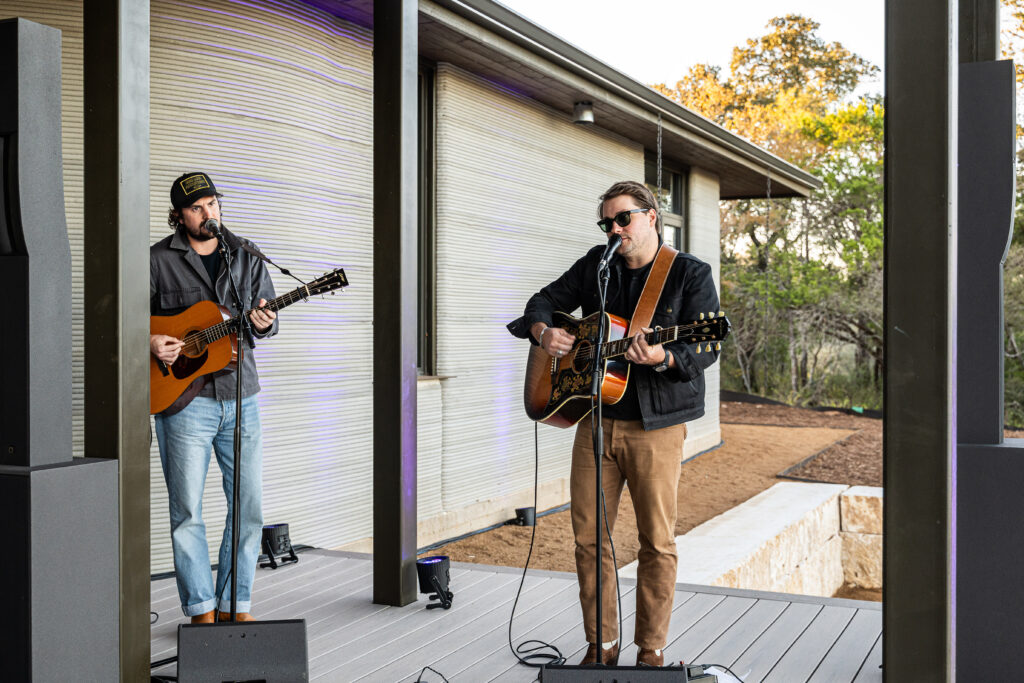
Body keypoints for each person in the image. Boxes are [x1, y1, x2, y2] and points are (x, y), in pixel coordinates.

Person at [507, 180, 721, 667]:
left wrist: (664, 354)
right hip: (594, 418)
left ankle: (651, 651)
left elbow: (706, 346)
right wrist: (546, 335)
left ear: (651, 216)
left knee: (656, 541)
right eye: (607, 222)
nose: (614, 230)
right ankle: (601, 645)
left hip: (656, 426)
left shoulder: (688, 273)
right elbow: (540, 302)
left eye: (623, 219)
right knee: (588, 537)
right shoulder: (596, 267)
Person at [150, 172, 278, 623]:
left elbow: (268, 313)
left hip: (242, 395)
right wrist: (150, 342)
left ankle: (234, 605)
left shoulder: (246, 255)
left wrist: (265, 322)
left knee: (248, 507)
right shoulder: (156, 260)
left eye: (213, 204)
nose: (209, 214)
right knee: (187, 511)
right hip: (184, 401)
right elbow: (127, 316)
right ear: (180, 216)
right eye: (197, 208)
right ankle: (202, 608)